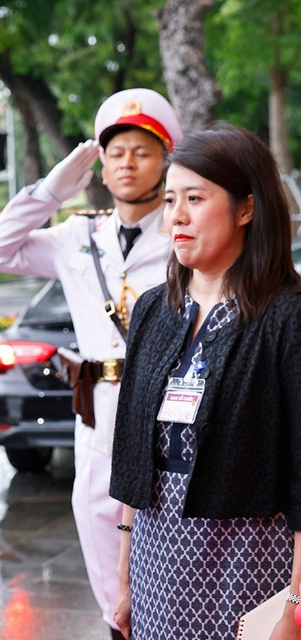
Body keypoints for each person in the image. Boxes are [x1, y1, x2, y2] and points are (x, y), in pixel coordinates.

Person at [0, 88, 183, 638]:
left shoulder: (182, 231)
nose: (127, 163)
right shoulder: (78, 235)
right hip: (97, 413)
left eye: (143, 150)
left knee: (169, 541)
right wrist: (48, 191)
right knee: (98, 533)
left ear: (166, 160)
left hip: (165, 405)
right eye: (115, 153)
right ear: (101, 165)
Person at [110, 124, 301, 640]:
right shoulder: (154, 309)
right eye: (171, 199)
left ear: (246, 208)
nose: (176, 215)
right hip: (155, 557)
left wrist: (298, 606)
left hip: (249, 562)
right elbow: (133, 456)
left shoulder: (287, 316)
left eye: (195, 198)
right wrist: (123, 575)